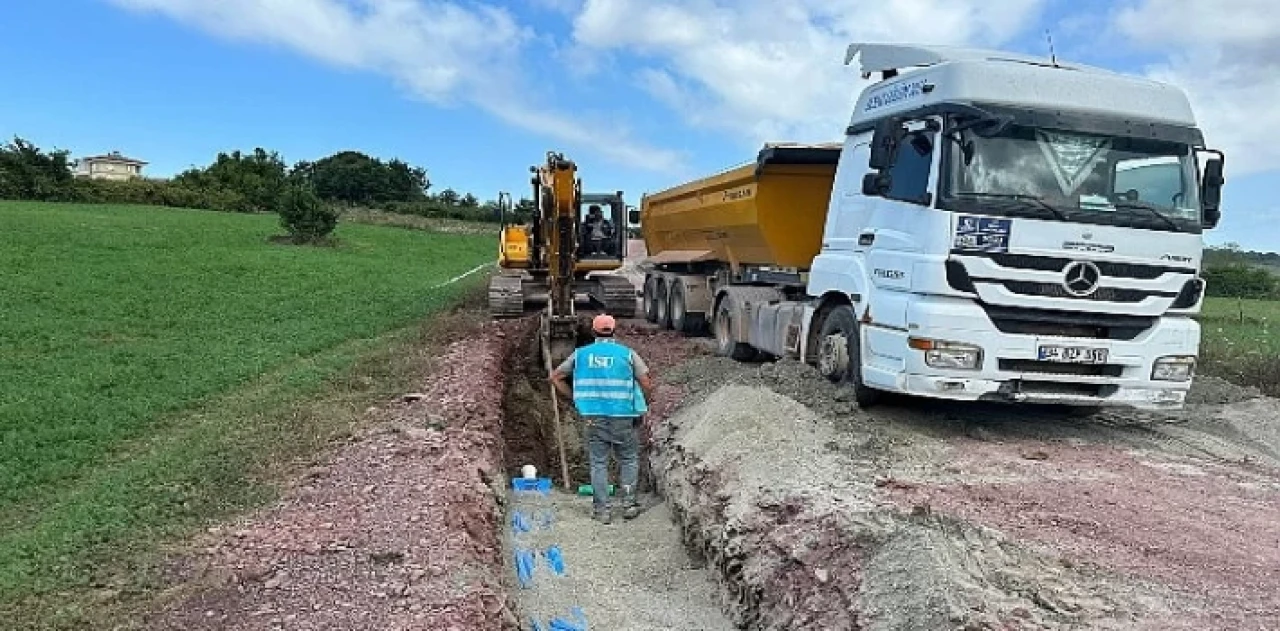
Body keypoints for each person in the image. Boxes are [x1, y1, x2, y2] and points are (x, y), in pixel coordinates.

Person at [549, 314, 654, 524]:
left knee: (598, 462)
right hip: (624, 415)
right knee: (629, 459)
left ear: (594, 332)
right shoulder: (627, 354)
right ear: (614, 331)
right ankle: (629, 505)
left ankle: (602, 510)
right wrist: (643, 402)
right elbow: (645, 381)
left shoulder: (581, 355)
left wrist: (575, 398)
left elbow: (555, 377)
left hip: (593, 416)